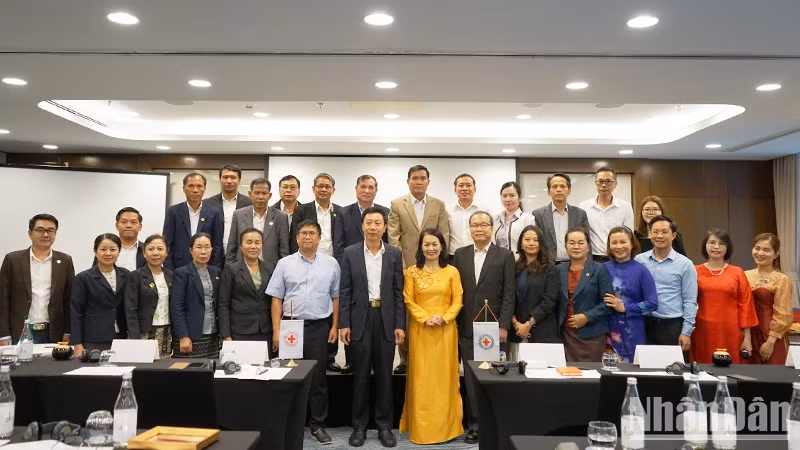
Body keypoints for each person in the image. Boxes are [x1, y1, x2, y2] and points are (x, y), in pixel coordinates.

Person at [267, 220, 340, 445]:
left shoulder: (331, 264)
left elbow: (336, 297)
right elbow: (276, 297)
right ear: (297, 238)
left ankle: (318, 426)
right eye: (303, 233)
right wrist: (277, 330)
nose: (308, 237)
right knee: (289, 376)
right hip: (291, 327)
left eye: (312, 233)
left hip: (319, 327)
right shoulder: (284, 264)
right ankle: (287, 423)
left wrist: (335, 326)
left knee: (318, 379)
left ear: (319, 238)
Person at [339, 207, 405, 448]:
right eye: (369, 222)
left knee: (385, 377)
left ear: (385, 227)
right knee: (360, 376)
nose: (374, 227)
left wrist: (400, 324)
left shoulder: (395, 254)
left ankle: (384, 426)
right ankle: (359, 426)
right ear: (362, 226)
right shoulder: (350, 253)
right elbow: (344, 291)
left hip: (386, 319)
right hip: (360, 319)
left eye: (378, 223)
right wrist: (344, 324)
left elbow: (399, 292)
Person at [452, 211, 514, 444]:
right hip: (467, 327)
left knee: (492, 374)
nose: (479, 229)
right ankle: (475, 425)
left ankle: (495, 422)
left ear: (492, 228)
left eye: (484, 225)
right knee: (470, 377)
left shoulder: (505, 255)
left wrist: (504, 325)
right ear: (469, 229)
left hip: (493, 327)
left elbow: (509, 293)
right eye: (474, 225)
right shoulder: (460, 255)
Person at [399, 229, 463, 445]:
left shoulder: (452, 271)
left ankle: (447, 428)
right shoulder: (412, 272)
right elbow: (408, 300)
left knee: (445, 379)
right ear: (420, 247)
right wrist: (425, 318)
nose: (431, 248)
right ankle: (422, 429)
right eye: (426, 244)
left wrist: (444, 318)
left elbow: (458, 301)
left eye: (435, 244)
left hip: (446, 332)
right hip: (421, 331)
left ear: (442, 246)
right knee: (422, 379)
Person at [388, 164, 450, 374]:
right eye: (414, 178)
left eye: (422, 178)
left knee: (433, 306)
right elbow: (393, 237)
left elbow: (444, 236)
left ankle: (433, 353)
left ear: (428, 181)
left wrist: (440, 264)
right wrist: (402, 267)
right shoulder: (397, 204)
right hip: (407, 268)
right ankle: (405, 358)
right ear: (408, 181)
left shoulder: (438, 204)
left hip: (434, 265)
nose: (419, 182)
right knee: (406, 311)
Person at [289, 173, 345, 371]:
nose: (323, 189)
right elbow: (293, 237)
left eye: (327, 186)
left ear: (333, 190)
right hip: (305, 262)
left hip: (332, 264)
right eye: (320, 186)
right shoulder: (302, 209)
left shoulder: (340, 211)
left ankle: (329, 357)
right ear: (313, 189)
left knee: (331, 307)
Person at [0, 214, 75, 345]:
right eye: (40, 230)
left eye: (51, 230)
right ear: (30, 233)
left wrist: (68, 331)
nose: (46, 234)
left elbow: (69, 299)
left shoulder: (65, 261)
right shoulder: (13, 260)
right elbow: (3, 299)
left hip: (53, 332)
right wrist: (3, 334)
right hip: (20, 331)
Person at [691, 229, 757, 364]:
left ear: (728, 247)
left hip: (731, 331)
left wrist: (747, 337)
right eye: (712, 242)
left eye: (721, 243)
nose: (716, 247)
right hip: (701, 330)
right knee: (703, 368)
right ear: (705, 245)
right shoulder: (694, 271)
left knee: (731, 370)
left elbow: (746, 305)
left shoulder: (737, 272)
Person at [634, 215, 697, 353]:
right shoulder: (639, 260)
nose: (659, 236)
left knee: (672, 371)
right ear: (650, 234)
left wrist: (686, 332)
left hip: (671, 326)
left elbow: (690, 301)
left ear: (673, 235)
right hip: (643, 323)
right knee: (642, 370)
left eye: (664, 232)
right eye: (655, 232)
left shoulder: (685, 264)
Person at [603, 226, 658, 363]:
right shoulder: (602, 269)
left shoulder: (641, 271)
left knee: (631, 372)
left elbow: (652, 304)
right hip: (605, 329)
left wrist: (625, 307)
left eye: (623, 242)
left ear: (632, 243)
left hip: (632, 330)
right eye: (614, 242)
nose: (619, 246)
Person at [557, 227, 613, 362]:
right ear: (566, 246)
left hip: (592, 334)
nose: (576, 246)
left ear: (588, 246)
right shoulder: (558, 269)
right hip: (565, 335)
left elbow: (608, 303)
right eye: (571, 243)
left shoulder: (600, 269)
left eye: (581, 242)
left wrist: (586, 317)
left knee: (591, 377)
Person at [70, 234, 129, 355]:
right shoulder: (83, 278)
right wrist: (77, 344)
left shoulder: (126, 275)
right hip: (93, 339)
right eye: (103, 249)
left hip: (122, 337)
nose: (108, 253)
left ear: (119, 251)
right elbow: (76, 312)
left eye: (113, 249)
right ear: (95, 252)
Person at [219, 229, 273, 353]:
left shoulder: (270, 268)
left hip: (265, 331)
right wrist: (226, 335)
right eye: (249, 242)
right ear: (241, 246)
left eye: (257, 242)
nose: (253, 246)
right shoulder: (231, 269)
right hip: (240, 331)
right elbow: (223, 304)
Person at [510, 225, 560, 355]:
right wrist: (516, 323)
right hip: (517, 332)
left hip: (542, 332)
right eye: (527, 239)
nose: (531, 243)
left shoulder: (550, 269)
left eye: (536, 240)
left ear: (541, 244)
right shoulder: (514, 268)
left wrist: (529, 323)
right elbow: (508, 297)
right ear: (521, 243)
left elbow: (550, 301)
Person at [170, 233, 222, 358]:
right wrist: (183, 336)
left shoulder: (216, 272)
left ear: (211, 249)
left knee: (211, 372)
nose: (203, 251)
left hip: (213, 335)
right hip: (190, 336)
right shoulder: (182, 273)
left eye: (207, 247)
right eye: (199, 247)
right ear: (191, 250)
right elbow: (177, 307)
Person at [745, 233, 793, 364]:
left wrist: (771, 341)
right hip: (747, 334)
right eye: (757, 248)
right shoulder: (744, 275)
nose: (760, 253)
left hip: (770, 335)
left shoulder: (782, 279)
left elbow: (784, 314)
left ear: (776, 254)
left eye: (766, 250)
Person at [123, 234, 173, 357]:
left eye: (160, 249)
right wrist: (135, 338)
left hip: (167, 330)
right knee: (144, 368)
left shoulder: (171, 275)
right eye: (151, 249)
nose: (155, 253)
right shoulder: (136, 276)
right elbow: (130, 310)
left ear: (166, 252)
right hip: (144, 332)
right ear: (144, 253)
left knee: (164, 368)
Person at [225, 178, 289, 271]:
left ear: (269, 195)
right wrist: (229, 269)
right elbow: (232, 245)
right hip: (242, 270)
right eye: (257, 193)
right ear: (250, 194)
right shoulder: (238, 215)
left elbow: (284, 250)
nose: (260, 197)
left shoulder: (280, 217)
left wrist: (283, 272)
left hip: (271, 270)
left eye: (264, 193)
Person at [163, 173, 224, 270]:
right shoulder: (173, 211)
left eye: (199, 186)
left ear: (204, 189)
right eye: (190, 186)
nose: (195, 190)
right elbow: (167, 243)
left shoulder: (214, 213)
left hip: (206, 267)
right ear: (184, 189)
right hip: (179, 267)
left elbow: (217, 245)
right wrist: (169, 271)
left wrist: (215, 270)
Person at [532, 173, 591, 264]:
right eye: (554, 186)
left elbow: (587, 243)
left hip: (575, 265)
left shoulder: (580, 214)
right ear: (548, 191)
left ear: (569, 190)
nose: (558, 190)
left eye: (562, 186)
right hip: (548, 266)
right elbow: (537, 244)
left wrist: (589, 266)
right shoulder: (538, 214)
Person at [579, 167, 635, 262]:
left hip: (617, 257)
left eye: (608, 181)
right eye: (600, 181)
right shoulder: (584, 206)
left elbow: (629, 235)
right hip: (592, 259)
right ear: (595, 183)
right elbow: (581, 234)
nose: (604, 185)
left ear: (615, 184)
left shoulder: (625, 206)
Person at [205, 164, 253, 255]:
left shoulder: (249, 203)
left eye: (233, 177)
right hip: (213, 254)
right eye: (225, 177)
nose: (229, 181)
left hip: (240, 254)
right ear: (220, 180)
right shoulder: (207, 204)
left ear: (239, 180)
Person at [335, 175, 389, 249]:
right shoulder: (343, 213)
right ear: (356, 189)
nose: (366, 191)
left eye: (371, 187)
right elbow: (339, 244)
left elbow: (389, 241)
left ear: (376, 191)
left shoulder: (386, 212)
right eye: (363, 187)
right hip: (351, 259)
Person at [492, 181, 536, 260]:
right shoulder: (495, 219)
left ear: (520, 197)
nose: (508, 199)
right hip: (497, 264)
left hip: (519, 263)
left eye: (512, 195)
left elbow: (531, 244)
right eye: (504, 196)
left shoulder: (528, 219)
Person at [448, 174, 481, 260]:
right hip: (453, 257)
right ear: (455, 189)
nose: (465, 189)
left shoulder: (483, 211)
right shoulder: (447, 211)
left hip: (478, 256)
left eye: (468, 185)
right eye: (461, 185)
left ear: (475, 189)